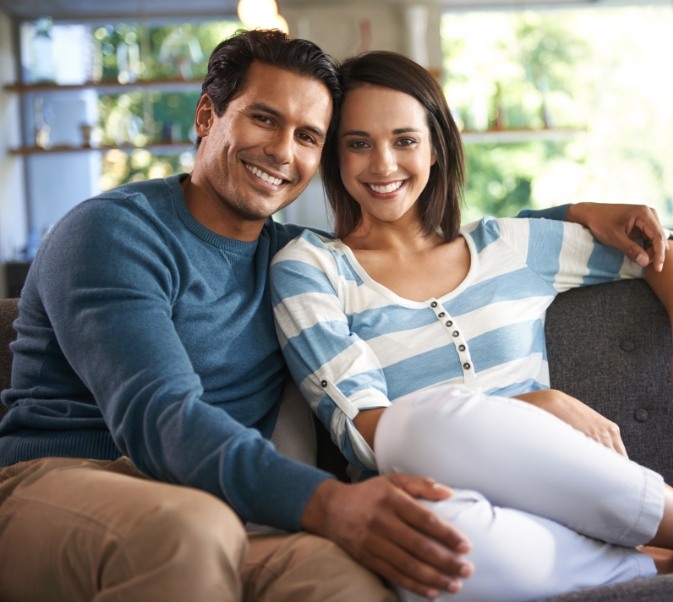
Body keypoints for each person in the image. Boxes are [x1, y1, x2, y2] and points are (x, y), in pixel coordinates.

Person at [0, 29, 667, 602]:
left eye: (307, 136)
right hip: (68, 480)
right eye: (263, 119)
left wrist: (576, 213)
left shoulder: (287, 255)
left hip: (225, 503)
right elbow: (159, 415)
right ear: (207, 116)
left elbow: (426, 250)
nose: (282, 152)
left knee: (349, 576)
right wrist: (329, 502)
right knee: (191, 531)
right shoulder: (115, 234)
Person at [269, 49, 673, 601]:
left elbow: (656, 251)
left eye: (405, 140)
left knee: (419, 427)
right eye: (358, 143)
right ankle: (645, 564)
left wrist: (582, 208)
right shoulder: (312, 268)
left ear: (436, 147)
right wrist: (537, 404)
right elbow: (365, 431)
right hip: (445, 505)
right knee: (419, 465)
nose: (383, 164)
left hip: (560, 486)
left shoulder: (506, 246)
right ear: (335, 156)